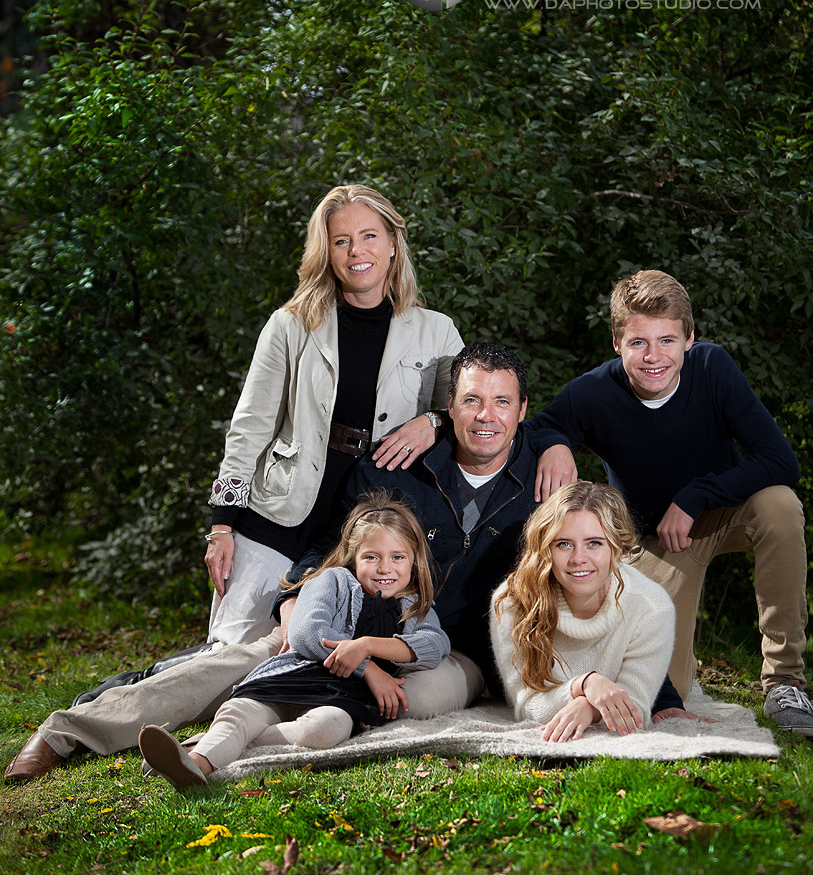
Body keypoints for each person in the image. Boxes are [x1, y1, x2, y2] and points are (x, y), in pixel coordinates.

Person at [2, 342, 678, 783]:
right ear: (448, 407)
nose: (485, 417)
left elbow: (595, 576)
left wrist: (661, 693)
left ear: (522, 411)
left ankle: (248, 741)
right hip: (346, 620)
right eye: (470, 400)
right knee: (244, 660)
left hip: (454, 652)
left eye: (501, 402)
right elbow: (331, 540)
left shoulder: (544, 480)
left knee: (424, 697)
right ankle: (70, 734)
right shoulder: (401, 464)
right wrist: (300, 596)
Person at [525, 269, 812, 737]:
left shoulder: (712, 368)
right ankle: (683, 663)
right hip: (660, 538)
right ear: (617, 341)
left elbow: (781, 462)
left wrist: (697, 495)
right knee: (662, 690)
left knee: (780, 505)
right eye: (638, 342)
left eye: (668, 341)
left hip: (726, 512)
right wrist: (556, 442)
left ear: (690, 340)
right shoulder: (593, 392)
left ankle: (784, 680)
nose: (654, 357)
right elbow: (534, 428)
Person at [205, 182, 462, 644]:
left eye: (368, 236)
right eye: (341, 241)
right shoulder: (290, 324)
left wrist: (434, 421)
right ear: (326, 253)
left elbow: (468, 414)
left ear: (392, 244)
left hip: (366, 524)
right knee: (234, 644)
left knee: (318, 648)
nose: (355, 251)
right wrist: (222, 525)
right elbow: (249, 427)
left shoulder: (437, 331)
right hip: (281, 508)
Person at [138, 493, 449, 789]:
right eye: (371, 557)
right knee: (244, 713)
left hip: (339, 698)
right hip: (288, 679)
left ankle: (211, 743)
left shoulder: (414, 605)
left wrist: (365, 645)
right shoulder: (332, 579)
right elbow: (305, 633)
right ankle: (194, 765)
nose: (385, 568)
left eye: (398, 557)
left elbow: (435, 645)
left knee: (328, 729)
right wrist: (369, 669)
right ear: (353, 558)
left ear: (414, 562)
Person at [490, 482, 675, 742]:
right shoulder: (512, 602)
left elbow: (635, 713)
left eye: (594, 543)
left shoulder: (652, 607)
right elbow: (526, 706)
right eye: (564, 544)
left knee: (683, 688)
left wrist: (587, 707)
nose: (579, 558)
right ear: (545, 549)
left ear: (617, 547)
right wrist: (584, 684)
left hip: (649, 657)